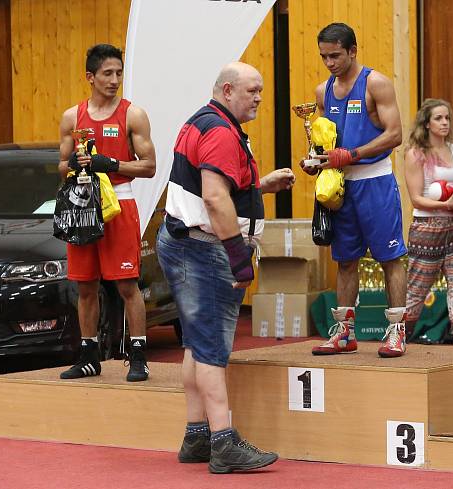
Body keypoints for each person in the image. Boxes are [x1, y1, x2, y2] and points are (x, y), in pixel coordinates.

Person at [157, 62, 294, 473]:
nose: (258, 98)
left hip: (184, 243)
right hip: (203, 249)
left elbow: (212, 187)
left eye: (261, 91)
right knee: (213, 347)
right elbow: (215, 200)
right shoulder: (219, 131)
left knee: (196, 345)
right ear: (228, 89)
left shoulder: (205, 121)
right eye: (252, 90)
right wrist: (238, 257)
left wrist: (259, 185)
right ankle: (224, 443)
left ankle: (197, 436)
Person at [301, 22, 407, 358]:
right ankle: (344, 332)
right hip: (341, 186)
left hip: (375, 180)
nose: (329, 62)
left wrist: (355, 154)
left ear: (353, 51)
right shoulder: (323, 92)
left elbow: (395, 134)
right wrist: (315, 161)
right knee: (345, 260)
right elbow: (324, 139)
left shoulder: (375, 83)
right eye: (323, 57)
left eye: (335, 55)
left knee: (390, 257)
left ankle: (396, 332)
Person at [58, 44, 156, 382]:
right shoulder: (73, 117)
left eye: (119, 73)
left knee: (127, 285)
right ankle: (88, 356)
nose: (115, 80)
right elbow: (60, 164)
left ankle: (139, 356)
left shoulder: (133, 114)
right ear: (90, 77)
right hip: (84, 205)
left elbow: (150, 166)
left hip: (120, 202)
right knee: (85, 286)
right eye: (107, 74)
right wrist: (72, 164)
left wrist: (112, 163)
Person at [403, 99, 453, 345]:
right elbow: (416, 199)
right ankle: (397, 342)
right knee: (415, 295)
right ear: (426, 123)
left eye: (447, 117)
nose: (445, 122)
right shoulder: (415, 154)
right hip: (427, 230)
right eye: (438, 118)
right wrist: (446, 205)